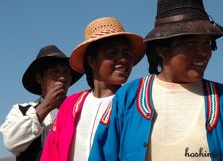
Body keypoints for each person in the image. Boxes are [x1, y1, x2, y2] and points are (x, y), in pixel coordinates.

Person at [89, 0, 223, 161]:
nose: (203, 52)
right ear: (161, 49)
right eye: (191, 43)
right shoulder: (128, 98)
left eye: (207, 43)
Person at [40, 17, 145, 161]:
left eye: (126, 53)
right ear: (92, 61)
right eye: (112, 53)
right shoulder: (71, 105)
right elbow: (52, 152)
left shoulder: (136, 103)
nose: (122, 59)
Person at [0, 45, 82, 161]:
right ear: (39, 78)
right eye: (55, 71)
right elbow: (11, 143)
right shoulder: (21, 110)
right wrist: (46, 106)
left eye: (66, 72)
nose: (62, 77)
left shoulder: (80, 107)